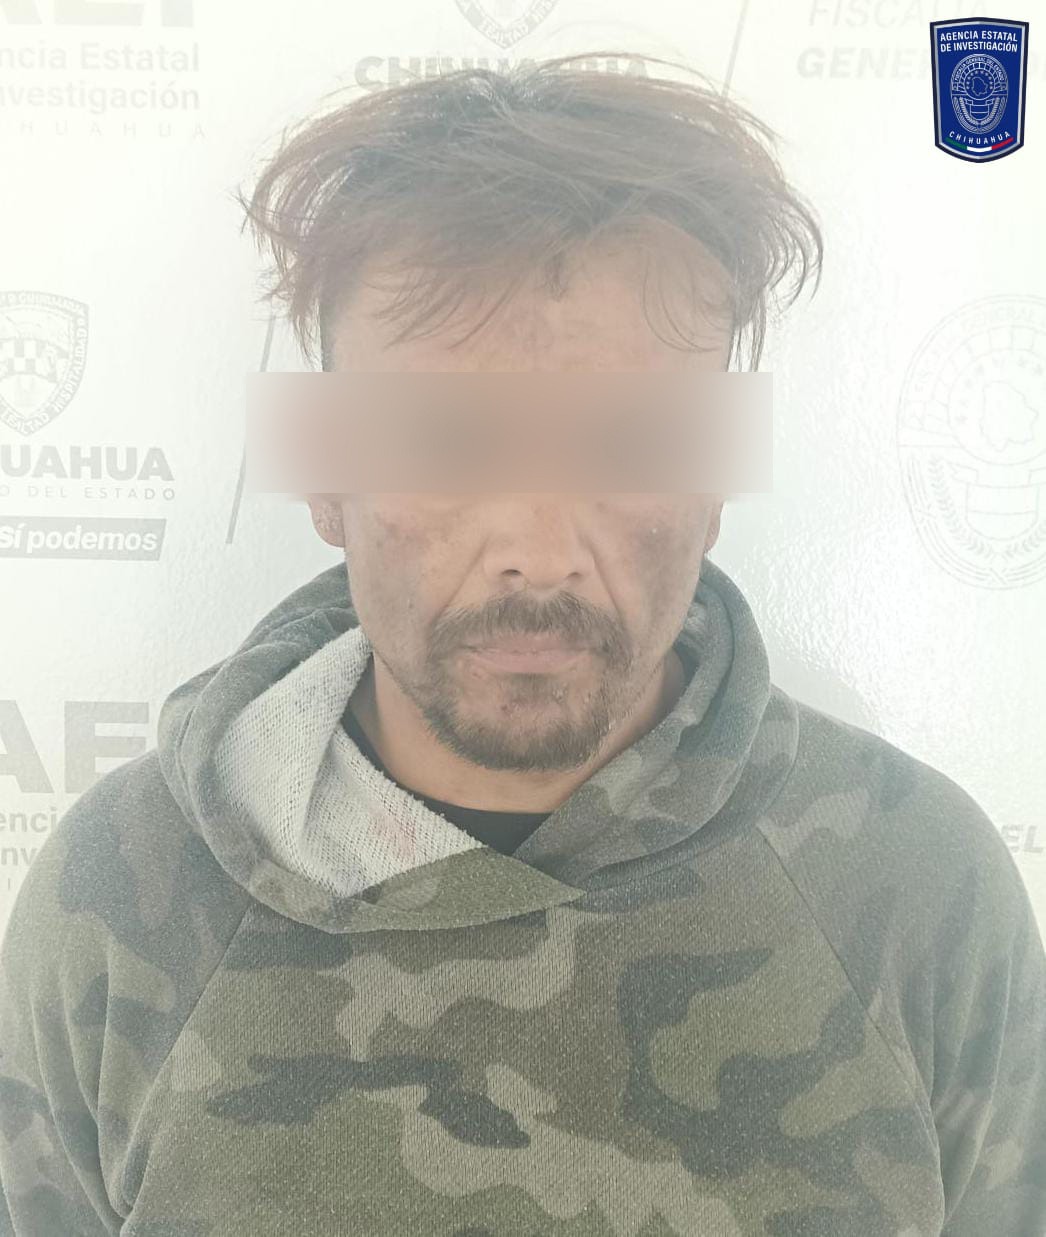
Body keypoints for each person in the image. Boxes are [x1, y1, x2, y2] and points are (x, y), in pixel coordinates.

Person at [1, 51, 1043, 1237]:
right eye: (447, 440)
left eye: (626, 444)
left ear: (711, 482)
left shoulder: (917, 888)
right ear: (327, 475)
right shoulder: (117, 900)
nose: (539, 553)